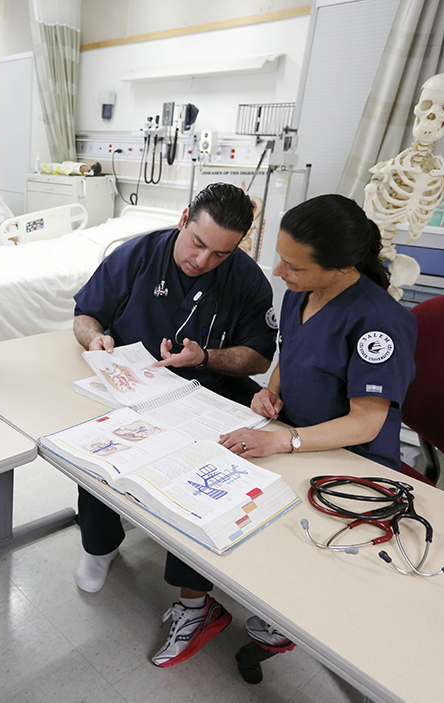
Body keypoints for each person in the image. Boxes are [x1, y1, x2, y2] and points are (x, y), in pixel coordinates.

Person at [71, 182, 277, 668]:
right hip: (132, 389)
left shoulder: (246, 279)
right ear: (184, 218)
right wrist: (96, 339)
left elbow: (258, 354)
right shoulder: (137, 255)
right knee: (100, 452)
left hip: (208, 392)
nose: (202, 261)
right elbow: (85, 315)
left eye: (220, 254)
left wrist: (205, 356)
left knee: (202, 476)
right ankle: (99, 546)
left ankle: (193, 597)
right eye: (197, 243)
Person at [218, 194, 416, 663]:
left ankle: (301, 612)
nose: (279, 273)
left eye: (294, 266)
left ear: (342, 267)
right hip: (290, 435)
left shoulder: (380, 322)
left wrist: (282, 439)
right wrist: (271, 391)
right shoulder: (298, 295)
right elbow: (291, 351)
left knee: (305, 542)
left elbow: (367, 421)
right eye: (280, 259)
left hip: (351, 459)